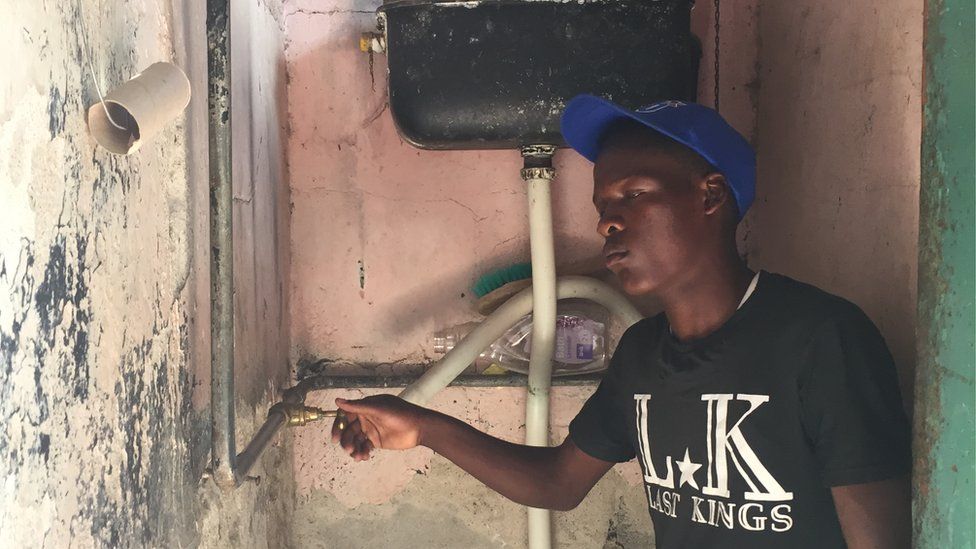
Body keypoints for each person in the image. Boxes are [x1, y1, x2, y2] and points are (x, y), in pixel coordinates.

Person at [330, 95, 912, 548]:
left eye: (632, 195)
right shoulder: (642, 354)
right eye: (602, 208)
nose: (608, 223)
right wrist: (425, 427)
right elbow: (559, 483)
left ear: (709, 195)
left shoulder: (820, 338)